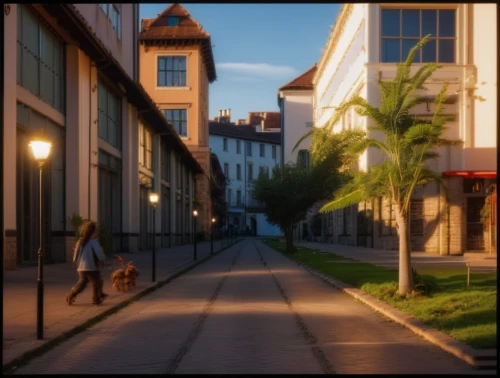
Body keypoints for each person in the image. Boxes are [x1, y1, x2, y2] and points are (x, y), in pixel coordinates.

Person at [66, 220, 109, 305]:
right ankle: (96, 299)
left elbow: (76, 253)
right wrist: (103, 259)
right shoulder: (93, 242)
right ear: (94, 232)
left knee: (83, 283)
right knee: (96, 283)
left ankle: (71, 294)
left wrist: (75, 260)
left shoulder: (80, 241)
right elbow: (99, 254)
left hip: (82, 267)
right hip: (90, 267)